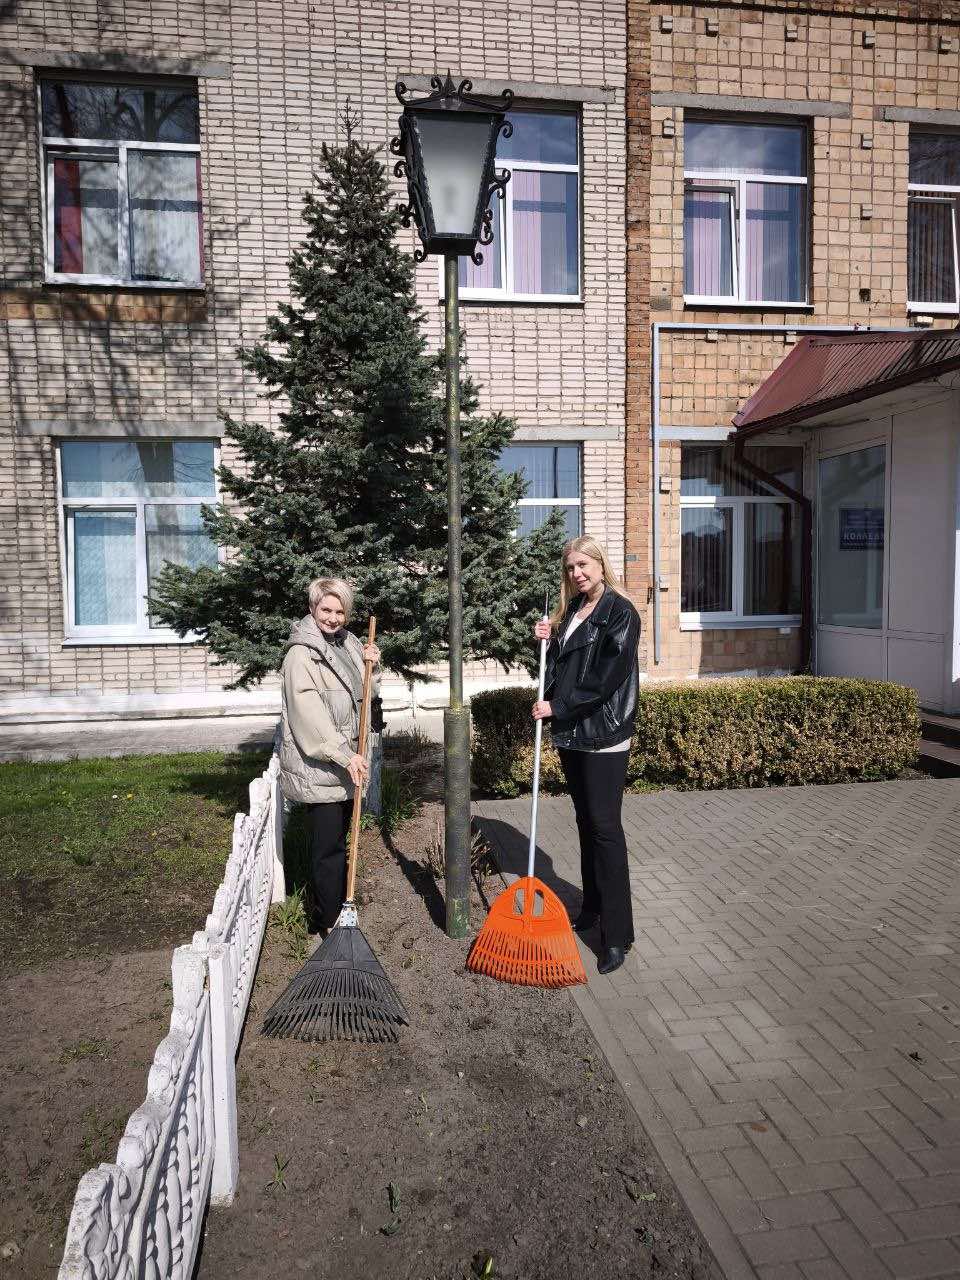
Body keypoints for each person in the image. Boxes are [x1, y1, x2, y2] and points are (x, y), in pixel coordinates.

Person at [532, 536, 641, 975]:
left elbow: (606, 677)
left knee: (605, 828)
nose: (576, 573)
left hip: (603, 733)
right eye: (570, 568)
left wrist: (557, 707)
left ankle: (617, 936)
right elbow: (559, 670)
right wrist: (546, 642)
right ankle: (592, 908)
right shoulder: (572, 612)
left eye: (583, 564)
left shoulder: (620, 612)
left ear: (599, 563)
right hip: (572, 732)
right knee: (585, 824)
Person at [278, 577, 381, 934]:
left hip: (346, 763)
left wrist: (371, 667)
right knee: (328, 849)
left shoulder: (348, 642)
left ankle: (335, 911)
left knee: (338, 843)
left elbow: (363, 696)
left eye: (340, 611)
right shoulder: (301, 654)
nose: (333, 618)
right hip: (322, 766)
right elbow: (309, 715)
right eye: (326, 610)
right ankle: (329, 924)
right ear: (312, 608)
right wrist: (344, 754)